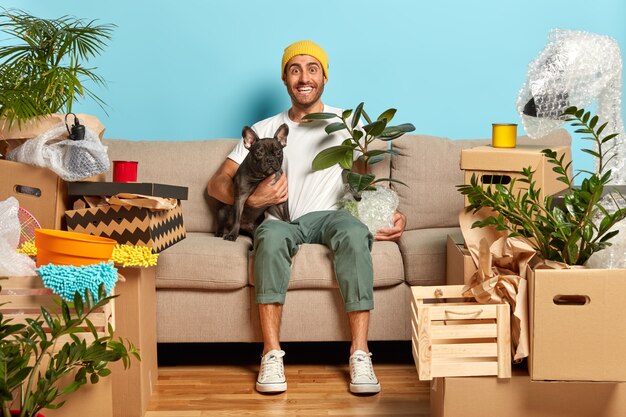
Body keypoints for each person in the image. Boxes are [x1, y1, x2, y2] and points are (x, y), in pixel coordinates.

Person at [207, 40, 406, 395]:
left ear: (324, 77)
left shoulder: (346, 124)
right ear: (285, 79)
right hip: (280, 222)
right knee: (267, 239)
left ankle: (360, 353)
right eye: (294, 69)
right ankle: (271, 355)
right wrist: (254, 197)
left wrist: (387, 214)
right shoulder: (265, 128)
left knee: (355, 233)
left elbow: (365, 183)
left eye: (312, 68)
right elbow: (217, 183)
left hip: (330, 217)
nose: (304, 77)